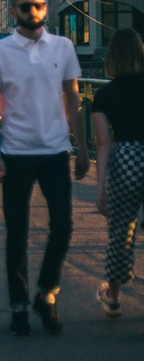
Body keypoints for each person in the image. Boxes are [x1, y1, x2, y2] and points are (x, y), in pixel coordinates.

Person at [0, 0, 89, 336]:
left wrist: (82, 146)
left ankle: (47, 294)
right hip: (15, 152)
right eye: (26, 7)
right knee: (17, 233)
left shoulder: (63, 46)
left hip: (56, 151)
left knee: (62, 226)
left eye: (39, 6)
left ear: (46, 8)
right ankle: (18, 306)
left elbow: (73, 99)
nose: (34, 12)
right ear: (13, 11)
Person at [90, 27, 144, 320]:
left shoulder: (104, 95)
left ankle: (112, 296)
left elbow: (102, 143)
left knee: (121, 232)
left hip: (125, 160)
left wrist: (100, 189)